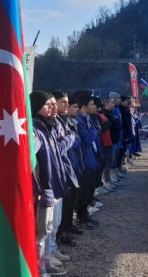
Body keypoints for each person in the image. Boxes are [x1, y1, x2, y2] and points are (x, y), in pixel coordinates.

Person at [31, 91, 69, 277]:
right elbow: (32, 159)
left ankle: (45, 262)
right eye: (47, 104)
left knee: (47, 229)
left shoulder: (47, 126)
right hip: (43, 188)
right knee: (40, 233)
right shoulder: (35, 129)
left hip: (52, 185)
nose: (53, 108)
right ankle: (39, 272)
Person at [52, 90, 83, 246]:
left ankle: (63, 231)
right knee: (55, 212)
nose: (67, 105)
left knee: (67, 204)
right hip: (59, 169)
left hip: (68, 166)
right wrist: (71, 137)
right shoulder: (54, 122)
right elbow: (61, 147)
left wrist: (70, 137)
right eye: (63, 102)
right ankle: (56, 239)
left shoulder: (61, 120)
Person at [74, 96, 101, 228]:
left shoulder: (87, 119)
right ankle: (80, 217)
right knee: (83, 190)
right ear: (84, 107)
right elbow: (88, 138)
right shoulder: (79, 121)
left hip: (90, 158)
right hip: (85, 160)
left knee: (88, 189)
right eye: (91, 104)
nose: (94, 107)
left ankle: (84, 214)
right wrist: (95, 130)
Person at [102, 97, 123, 185]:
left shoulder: (111, 114)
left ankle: (110, 176)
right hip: (109, 140)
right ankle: (106, 179)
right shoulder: (105, 114)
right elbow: (110, 126)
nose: (114, 104)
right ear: (106, 104)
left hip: (114, 139)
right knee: (107, 162)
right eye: (111, 102)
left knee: (112, 160)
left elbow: (117, 125)